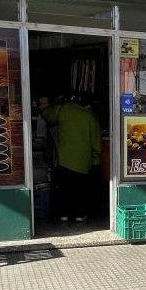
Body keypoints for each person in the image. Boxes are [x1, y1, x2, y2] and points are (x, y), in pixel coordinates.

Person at [41, 94, 101, 222]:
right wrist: (96, 159)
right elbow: (96, 141)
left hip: (64, 159)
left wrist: (44, 106)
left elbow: (47, 116)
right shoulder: (89, 115)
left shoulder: (61, 110)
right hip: (83, 161)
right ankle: (79, 214)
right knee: (80, 190)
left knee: (64, 188)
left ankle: (64, 214)